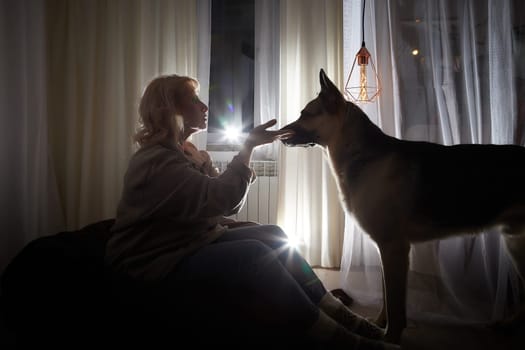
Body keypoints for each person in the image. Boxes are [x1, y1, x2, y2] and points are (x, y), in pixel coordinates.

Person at [105, 73, 401, 349]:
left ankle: (343, 317)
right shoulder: (157, 162)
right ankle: (341, 338)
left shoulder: (184, 153)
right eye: (194, 100)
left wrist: (216, 173)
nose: (204, 105)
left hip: (184, 243)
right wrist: (247, 148)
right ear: (170, 108)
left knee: (274, 234)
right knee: (255, 253)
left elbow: (216, 205)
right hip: (155, 260)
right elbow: (224, 199)